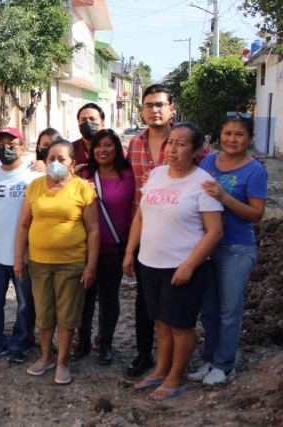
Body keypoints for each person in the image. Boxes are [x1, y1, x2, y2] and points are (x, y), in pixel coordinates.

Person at [123, 122, 224, 401]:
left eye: (181, 144)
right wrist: (131, 252)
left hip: (182, 267)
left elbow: (215, 231)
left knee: (180, 326)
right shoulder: (155, 175)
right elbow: (141, 216)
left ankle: (175, 378)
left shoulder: (203, 183)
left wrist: (190, 265)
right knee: (161, 322)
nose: (173, 149)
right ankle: (160, 370)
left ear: (195, 151)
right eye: (171, 143)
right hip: (150, 264)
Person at [125, 84, 210, 378]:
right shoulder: (136, 144)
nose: (154, 110)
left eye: (160, 104)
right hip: (147, 241)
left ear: (171, 108)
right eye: (148, 105)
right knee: (151, 310)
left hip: (182, 248)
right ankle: (148, 359)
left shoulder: (193, 153)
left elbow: (216, 168)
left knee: (178, 319)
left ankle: (177, 373)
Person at [189, 112, 267, 385]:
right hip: (206, 247)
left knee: (229, 311)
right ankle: (208, 361)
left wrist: (224, 197)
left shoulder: (254, 170)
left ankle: (225, 364)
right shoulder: (209, 161)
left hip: (236, 249)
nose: (232, 139)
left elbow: (256, 214)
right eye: (228, 133)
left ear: (250, 138)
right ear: (219, 135)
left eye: (240, 134)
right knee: (208, 310)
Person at [14, 139, 99, 385]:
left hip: (72, 264)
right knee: (44, 313)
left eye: (61, 159)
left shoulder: (83, 188)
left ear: (72, 162)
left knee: (67, 315)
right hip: (39, 263)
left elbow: (93, 230)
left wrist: (91, 265)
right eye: (51, 158)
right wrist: (19, 259)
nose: (56, 163)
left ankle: (63, 362)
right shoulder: (35, 187)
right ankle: (45, 356)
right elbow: (23, 224)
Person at [72, 129, 135, 365]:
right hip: (84, 247)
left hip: (114, 248)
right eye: (98, 146)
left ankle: (105, 341)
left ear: (117, 148)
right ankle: (84, 340)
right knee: (84, 297)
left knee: (109, 297)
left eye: (108, 145)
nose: (103, 150)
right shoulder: (84, 174)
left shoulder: (129, 176)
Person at [0, 127, 43, 363]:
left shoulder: (35, 175)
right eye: (1, 144)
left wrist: (47, 165)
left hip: (25, 253)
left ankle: (19, 344)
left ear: (22, 147)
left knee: (25, 304)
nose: (6, 148)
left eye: (12, 144)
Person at [72, 103, 106, 167]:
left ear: (102, 124)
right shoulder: (69, 149)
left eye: (92, 119)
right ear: (78, 125)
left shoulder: (113, 149)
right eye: (83, 120)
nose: (87, 122)